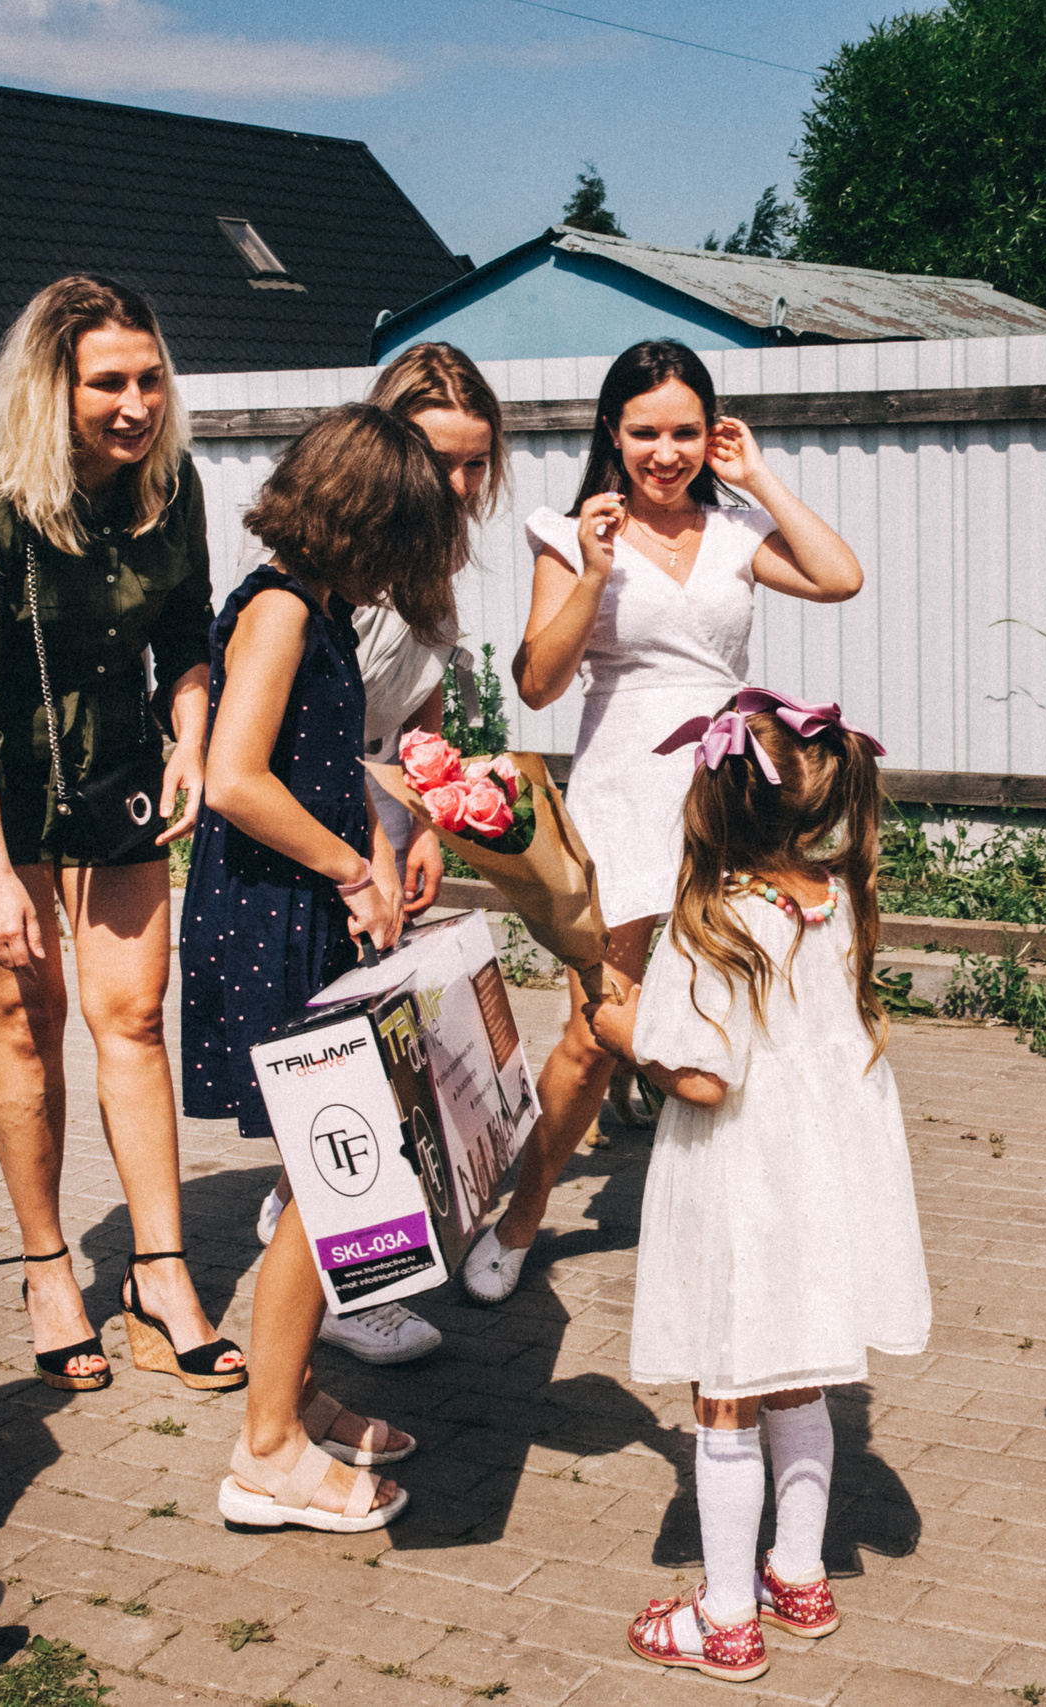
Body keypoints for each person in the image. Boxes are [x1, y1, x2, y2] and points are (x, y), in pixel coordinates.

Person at [463, 339, 865, 1305]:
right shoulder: (570, 533)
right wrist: (596, 572)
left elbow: (840, 575)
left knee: (744, 1004)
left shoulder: (734, 532)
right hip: (621, 794)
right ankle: (521, 1217)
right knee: (599, 1032)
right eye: (646, 432)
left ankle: (751, 1216)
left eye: (687, 431)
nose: (666, 452)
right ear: (614, 431)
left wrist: (758, 473)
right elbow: (537, 681)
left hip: (729, 793)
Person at [0, 274, 240, 1393]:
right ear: (55, 387)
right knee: (26, 1020)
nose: (136, 403)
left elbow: (190, 632)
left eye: (150, 378)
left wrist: (190, 738)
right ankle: (49, 1267)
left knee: (135, 1017)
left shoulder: (170, 486)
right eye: (108, 382)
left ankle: (160, 1273)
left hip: (116, 777)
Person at [584, 690, 930, 1681]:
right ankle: (799, 1574)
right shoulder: (836, 896)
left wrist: (623, 1032)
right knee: (799, 1373)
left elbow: (702, 1073)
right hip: (823, 1174)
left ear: (717, 803)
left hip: (742, 1183)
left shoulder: (716, 919)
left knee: (726, 1390)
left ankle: (727, 1617)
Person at [179, 404, 466, 1533]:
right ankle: (267, 1454)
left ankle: (292, 1388)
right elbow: (236, 775)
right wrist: (355, 868)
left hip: (295, 912)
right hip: (270, 919)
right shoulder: (284, 612)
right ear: (362, 519)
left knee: (333, 1174)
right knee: (322, 1183)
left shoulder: (320, 614)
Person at [252, 341, 510, 1370]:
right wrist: (364, 850)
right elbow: (297, 738)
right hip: (328, 832)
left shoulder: (430, 567)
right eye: (436, 458)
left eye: (474, 463)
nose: (456, 485)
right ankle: (336, 1279)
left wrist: (433, 823)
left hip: (390, 820)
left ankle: (321, 1246)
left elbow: (424, 704)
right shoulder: (333, 574)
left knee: (376, 1053)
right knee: (339, 1066)